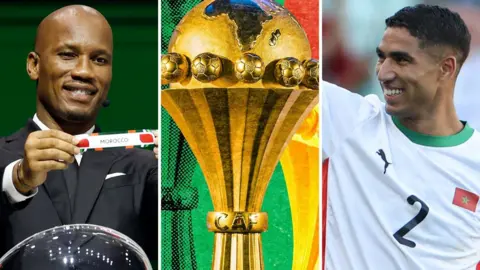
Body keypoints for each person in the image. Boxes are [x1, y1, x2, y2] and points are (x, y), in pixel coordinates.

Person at [322, 4, 480, 269]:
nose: (383, 73)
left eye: (402, 60)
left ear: (446, 68)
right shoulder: (347, 121)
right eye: (381, 57)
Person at [0, 5, 158, 262]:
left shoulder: (147, 169)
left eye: (99, 60)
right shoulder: (4, 163)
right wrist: (19, 179)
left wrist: (177, 182)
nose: (84, 72)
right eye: (68, 54)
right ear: (34, 65)